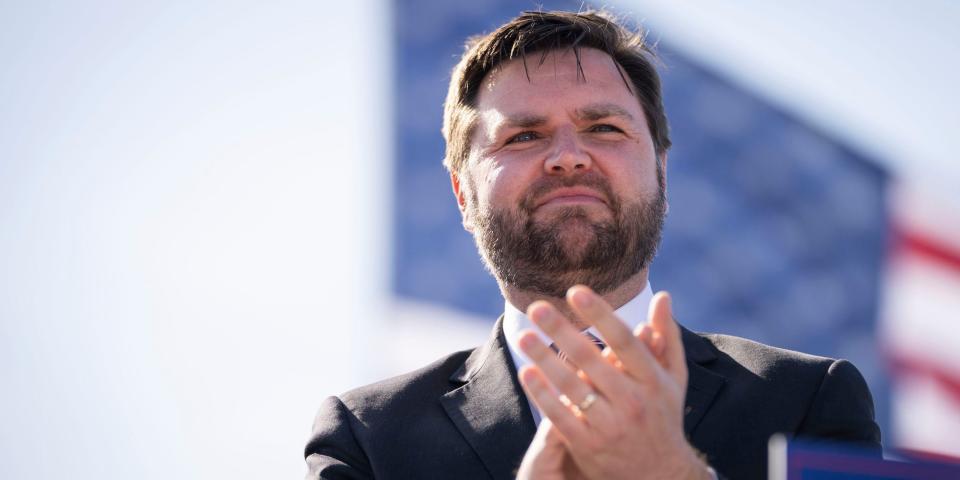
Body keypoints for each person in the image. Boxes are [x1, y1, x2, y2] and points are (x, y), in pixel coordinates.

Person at [304, 10, 881, 480]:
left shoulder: (809, 400)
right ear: (461, 193)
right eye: (524, 135)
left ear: (660, 168)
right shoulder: (366, 437)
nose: (567, 155)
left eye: (604, 128)